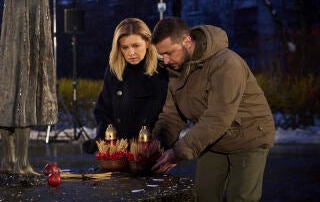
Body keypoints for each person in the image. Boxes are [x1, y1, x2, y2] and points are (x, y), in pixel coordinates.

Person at [151, 17, 275, 202]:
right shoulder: (176, 70)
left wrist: (178, 152)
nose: (166, 61)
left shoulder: (226, 63)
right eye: (162, 55)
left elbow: (218, 117)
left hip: (249, 138)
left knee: (240, 197)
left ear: (187, 41)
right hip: (214, 140)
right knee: (203, 196)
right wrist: (157, 144)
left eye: (169, 53)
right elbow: (172, 114)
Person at [0, 0, 59, 175]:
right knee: (27, 74)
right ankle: (22, 163)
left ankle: (7, 160)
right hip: (31, 1)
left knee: (10, 75)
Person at [82, 18, 168, 153]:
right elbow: (103, 111)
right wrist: (102, 139)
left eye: (136, 45)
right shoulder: (114, 71)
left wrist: (160, 143)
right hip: (118, 153)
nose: (131, 53)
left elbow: (168, 116)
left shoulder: (162, 71)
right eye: (125, 47)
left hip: (151, 152)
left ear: (147, 42)